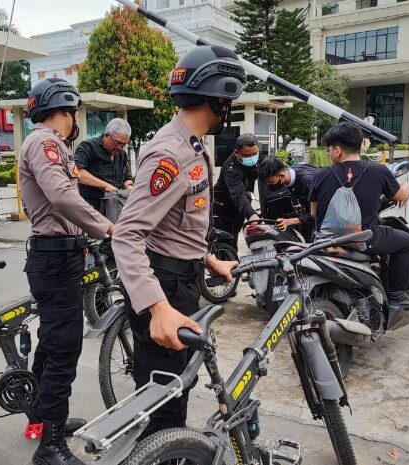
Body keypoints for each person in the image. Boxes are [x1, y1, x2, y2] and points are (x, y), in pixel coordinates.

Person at [112, 45, 245, 439]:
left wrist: (209, 260)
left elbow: (174, 225)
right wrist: (158, 309)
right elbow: (128, 235)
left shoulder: (194, 143)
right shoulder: (173, 153)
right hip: (163, 287)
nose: (228, 109)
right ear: (218, 99)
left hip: (183, 278)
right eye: (229, 101)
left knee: (177, 389)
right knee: (164, 404)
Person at [18, 78, 114, 465]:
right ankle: (51, 445)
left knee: (51, 342)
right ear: (65, 111)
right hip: (55, 260)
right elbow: (62, 196)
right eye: (74, 113)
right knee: (63, 348)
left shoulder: (48, 143)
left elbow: (58, 204)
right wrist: (107, 227)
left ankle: (41, 418)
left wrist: (85, 237)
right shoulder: (45, 142)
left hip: (59, 256)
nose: (76, 120)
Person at [309, 122, 409, 309]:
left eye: (329, 149)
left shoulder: (321, 174)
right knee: (408, 243)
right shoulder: (378, 171)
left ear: (338, 150)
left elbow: (314, 213)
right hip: (363, 240)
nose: (329, 153)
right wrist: (408, 186)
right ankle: (397, 294)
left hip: (324, 241)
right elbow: (401, 196)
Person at [74, 118, 134, 211]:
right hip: (90, 207)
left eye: (123, 144)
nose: (120, 148)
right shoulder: (88, 147)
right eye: (117, 143)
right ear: (106, 135)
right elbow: (77, 172)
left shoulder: (122, 154)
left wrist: (130, 188)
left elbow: (127, 178)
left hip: (114, 207)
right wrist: (105, 185)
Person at [213, 133, 261, 244]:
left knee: (235, 237)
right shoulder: (231, 170)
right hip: (223, 210)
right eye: (247, 156)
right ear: (236, 153)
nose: (252, 158)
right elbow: (238, 195)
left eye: (255, 153)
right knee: (227, 242)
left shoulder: (257, 156)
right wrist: (252, 214)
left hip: (241, 210)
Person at [258, 156, 317, 242]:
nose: (269, 185)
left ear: (281, 176)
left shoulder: (307, 182)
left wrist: (290, 221)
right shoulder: (290, 175)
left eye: (271, 182)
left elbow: (317, 213)